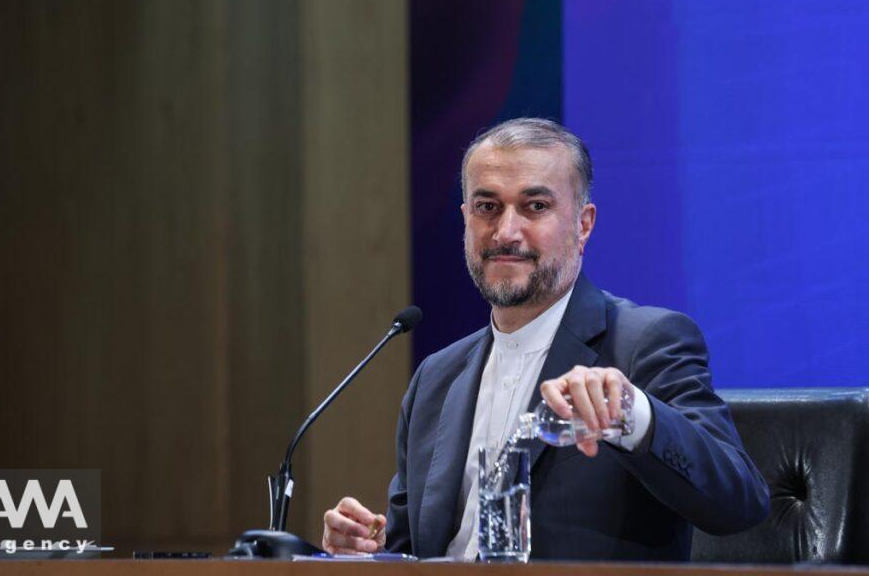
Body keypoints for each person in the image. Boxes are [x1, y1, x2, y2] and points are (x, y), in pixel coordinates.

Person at [322, 118, 769, 561]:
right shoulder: (435, 378)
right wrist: (365, 551)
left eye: (535, 206)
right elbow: (410, 551)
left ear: (583, 224)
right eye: (487, 207)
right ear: (465, 220)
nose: (506, 232)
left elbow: (741, 501)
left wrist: (634, 416)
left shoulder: (647, 342)